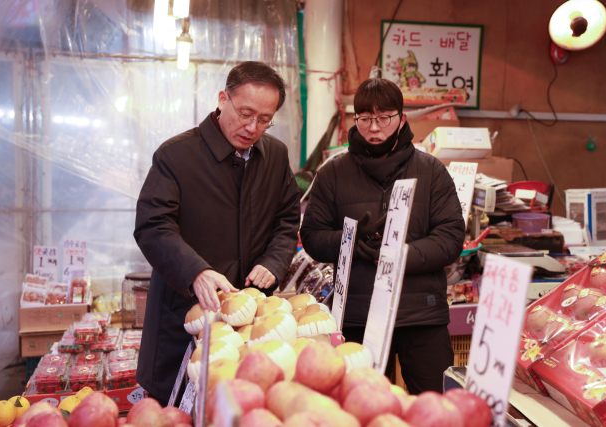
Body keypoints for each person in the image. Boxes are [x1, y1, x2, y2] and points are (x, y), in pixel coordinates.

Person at [134, 61, 301, 406]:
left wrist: (275, 260)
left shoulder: (276, 156)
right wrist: (195, 271)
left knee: (240, 408)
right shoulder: (176, 155)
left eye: (265, 119)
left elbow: (286, 219)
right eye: (245, 113)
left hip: (248, 318)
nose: (252, 127)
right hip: (182, 318)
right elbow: (153, 225)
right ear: (223, 98)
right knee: (178, 410)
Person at [300, 78, 465, 394]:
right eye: (365, 119)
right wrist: (351, 242)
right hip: (357, 317)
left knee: (436, 405)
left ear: (402, 119)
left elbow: (450, 238)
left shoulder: (431, 171)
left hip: (422, 316)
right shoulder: (332, 173)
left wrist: (397, 254)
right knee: (363, 404)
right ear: (355, 120)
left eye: (384, 118)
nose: (373, 127)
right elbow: (312, 236)